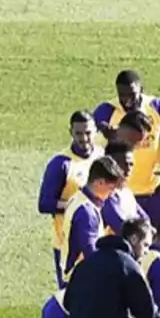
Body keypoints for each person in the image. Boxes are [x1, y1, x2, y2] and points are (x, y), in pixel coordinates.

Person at [93, 70, 160, 224]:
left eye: (131, 95)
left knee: (155, 239)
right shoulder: (107, 111)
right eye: (122, 95)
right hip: (121, 191)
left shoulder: (157, 107)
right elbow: (92, 139)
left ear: (142, 90)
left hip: (154, 191)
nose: (127, 100)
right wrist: (104, 131)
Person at [38, 111, 100, 288]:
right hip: (67, 244)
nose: (84, 138)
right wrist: (78, 206)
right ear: (70, 132)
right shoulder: (61, 164)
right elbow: (44, 203)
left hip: (98, 241)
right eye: (78, 133)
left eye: (88, 133)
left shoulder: (102, 156)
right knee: (70, 298)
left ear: (95, 131)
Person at [61, 156, 126, 283]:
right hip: (82, 282)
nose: (112, 193)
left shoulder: (77, 198)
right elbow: (92, 255)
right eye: (111, 188)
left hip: (74, 277)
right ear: (100, 183)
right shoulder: (87, 213)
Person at [100, 142, 149, 235]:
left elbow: (145, 219)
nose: (128, 168)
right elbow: (121, 227)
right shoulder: (106, 195)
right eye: (124, 164)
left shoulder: (126, 191)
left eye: (131, 164)